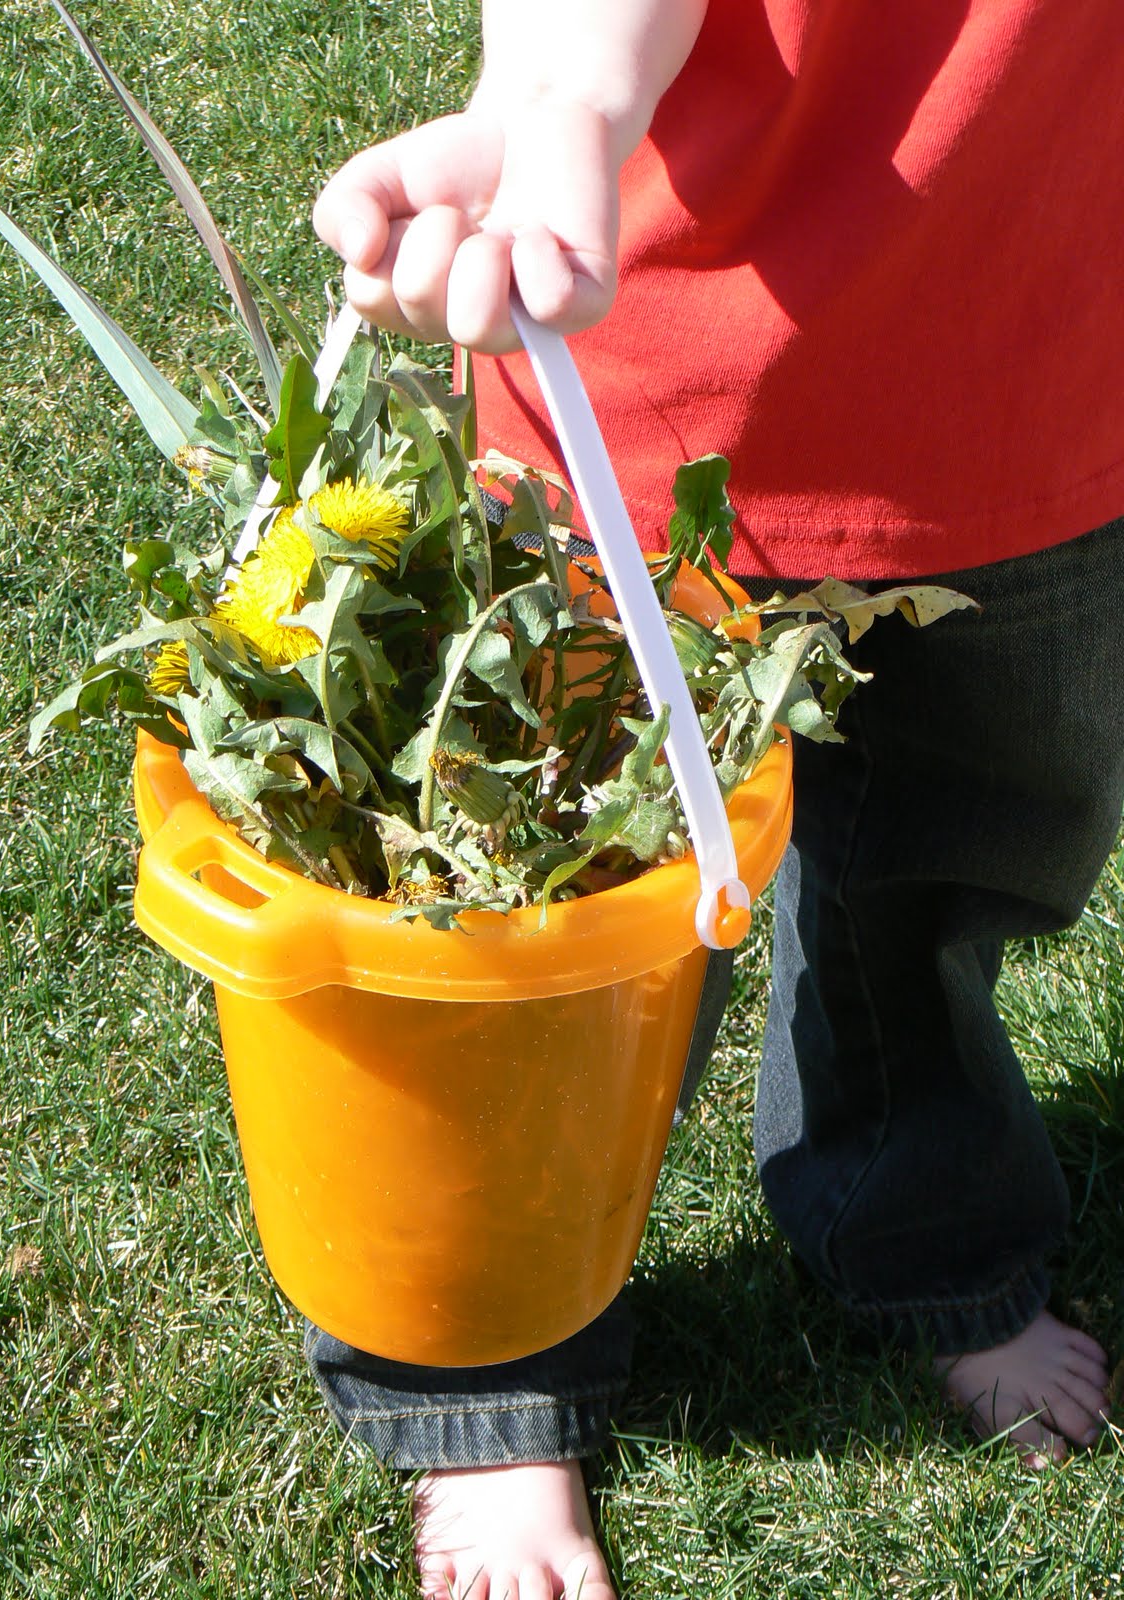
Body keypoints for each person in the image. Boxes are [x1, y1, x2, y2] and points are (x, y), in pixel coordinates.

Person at [310, 3, 1124, 1595]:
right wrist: (560, 97)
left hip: (1035, 359)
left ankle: (919, 1220)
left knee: (940, 871)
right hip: (653, 369)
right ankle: (489, 1370)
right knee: (544, 928)